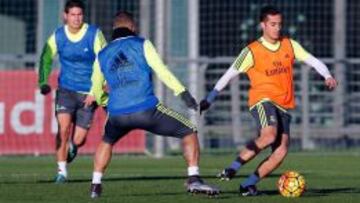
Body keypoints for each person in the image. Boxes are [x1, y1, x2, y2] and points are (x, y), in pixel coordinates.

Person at [200, 5, 337, 196]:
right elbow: (229, 73)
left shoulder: (290, 44)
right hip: (262, 100)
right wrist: (210, 98)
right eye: (273, 24)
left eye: (280, 24)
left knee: (281, 151)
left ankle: (248, 185)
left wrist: (327, 75)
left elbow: (313, 61)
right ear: (262, 25)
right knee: (269, 135)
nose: (277, 28)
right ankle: (232, 168)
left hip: (284, 105)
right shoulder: (251, 51)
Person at [88, 11, 220, 198]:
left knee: (107, 141)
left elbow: (95, 86)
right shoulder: (142, 43)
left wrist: (105, 104)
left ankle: (95, 185)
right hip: (146, 110)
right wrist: (183, 93)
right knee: (189, 130)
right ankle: (193, 178)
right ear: (132, 27)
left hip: (117, 114)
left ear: (114, 29)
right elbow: (162, 71)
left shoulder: (102, 54)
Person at [38, 0, 107, 183]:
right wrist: (43, 81)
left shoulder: (94, 34)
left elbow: (105, 60)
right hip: (66, 91)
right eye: (73, 14)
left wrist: (96, 91)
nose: (76, 18)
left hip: (88, 93)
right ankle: (62, 172)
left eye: (79, 14)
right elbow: (45, 56)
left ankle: (74, 147)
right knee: (63, 129)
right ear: (65, 16)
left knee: (79, 139)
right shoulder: (58, 36)